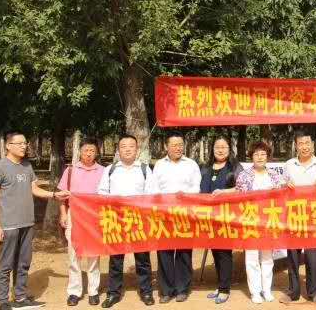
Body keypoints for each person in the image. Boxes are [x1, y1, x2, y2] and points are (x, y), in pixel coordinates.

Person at [0, 131, 70, 310]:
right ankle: (3, 302)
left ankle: (20, 297)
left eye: (25, 143)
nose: (24, 146)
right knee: (6, 264)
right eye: (19, 143)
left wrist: (54, 195)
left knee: (23, 263)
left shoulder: (27, 166)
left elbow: (35, 189)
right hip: (8, 225)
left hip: (27, 223)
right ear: (8, 146)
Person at [97, 134, 157, 308]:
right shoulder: (110, 169)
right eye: (123, 146)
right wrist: (115, 203)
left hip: (139, 219)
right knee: (116, 259)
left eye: (131, 146)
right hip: (116, 219)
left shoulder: (145, 169)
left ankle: (146, 292)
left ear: (137, 149)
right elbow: (102, 192)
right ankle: (113, 293)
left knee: (142, 258)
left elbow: (152, 193)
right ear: (118, 150)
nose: (128, 149)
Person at [233, 141, 289, 304]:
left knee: (267, 257)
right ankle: (255, 292)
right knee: (251, 258)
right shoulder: (244, 176)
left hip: (269, 222)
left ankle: (267, 290)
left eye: (263, 154)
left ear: (267, 157)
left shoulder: (275, 175)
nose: (260, 157)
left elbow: (282, 196)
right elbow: (239, 198)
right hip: (250, 221)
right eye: (256, 154)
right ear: (251, 157)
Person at [151, 132, 202, 303]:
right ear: (166, 146)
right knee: (164, 252)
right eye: (174, 145)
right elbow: (154, 188)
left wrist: (184, 195)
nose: (178, 148)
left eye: (180, 144)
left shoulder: (191, 164)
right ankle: (166, 290)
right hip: (164, 214)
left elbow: (196, 187)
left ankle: (182, 289)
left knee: (184, 252)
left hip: (185, 214)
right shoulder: (159, 165)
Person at [280, 131, 316, 304]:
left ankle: (314, 292)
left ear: (313, 145)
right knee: (293, 255)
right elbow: (282, 186)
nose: (304, 146)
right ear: (296, 146)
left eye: (307, 143)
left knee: (313, 255)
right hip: (294, 213)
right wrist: (285, 184)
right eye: (301, 143)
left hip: (315, 214)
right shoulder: (289, 164)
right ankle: (293, 291)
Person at [58, 138, 106, 307]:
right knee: (74, 254)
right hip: (74, 216)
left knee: (93, 254)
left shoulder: (103, 171)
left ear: (96, 152)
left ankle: (93, 291)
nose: (89, 154)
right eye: (86, 150)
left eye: (92, 150)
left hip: (94, 217)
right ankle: (74, 292)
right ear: (80, 152)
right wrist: (63, 214)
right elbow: (62, 196)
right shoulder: (70, 171)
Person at [199, 136, 240, 304]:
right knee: (215, 252)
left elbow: (243, 188)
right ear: (212, 149)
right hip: (209, 217)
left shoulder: (235, 167)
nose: (220, 150)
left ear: (229, 150)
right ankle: (220, 285)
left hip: (227, 216)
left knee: (224, 253)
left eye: (224, 147)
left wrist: (225, 192)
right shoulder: (205, 167)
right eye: (217, 147)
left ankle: (224, 289)